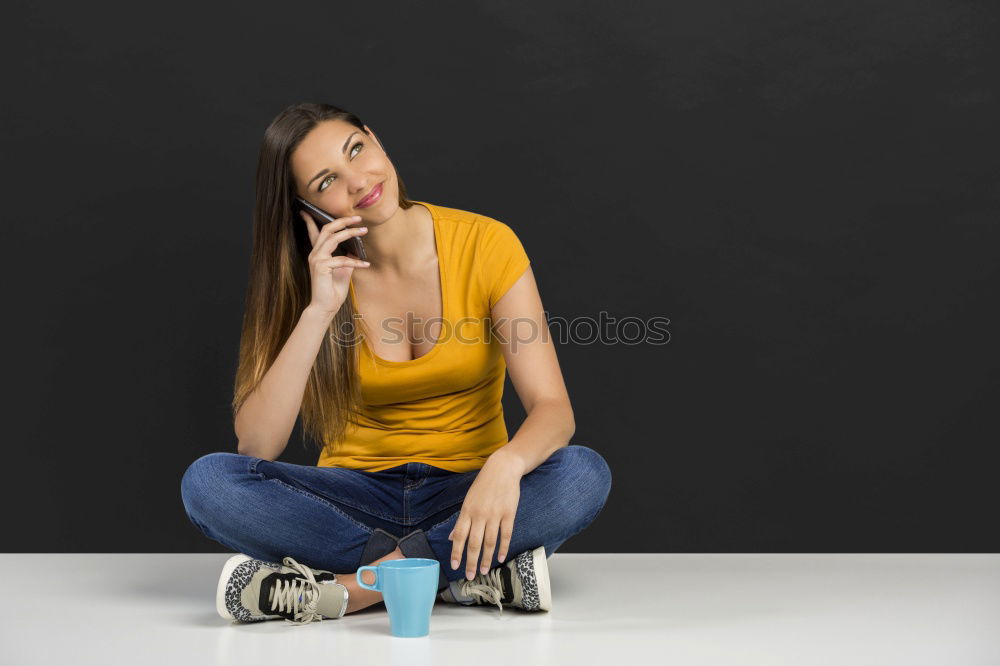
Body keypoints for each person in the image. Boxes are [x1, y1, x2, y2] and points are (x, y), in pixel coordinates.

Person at [180, 103, 612, 625]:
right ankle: (464, 577)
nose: (358, 182)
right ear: (306, 208)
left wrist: (505, 465)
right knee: (208, 483)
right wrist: (320, 307)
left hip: (468, 492)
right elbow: (257, 446)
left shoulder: (486, 243)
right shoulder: (309, 282)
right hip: (351, 501)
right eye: (326, 182)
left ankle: (351, 590)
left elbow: (553, 409)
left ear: (375, 138)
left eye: (356, 150)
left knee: (582, 473)